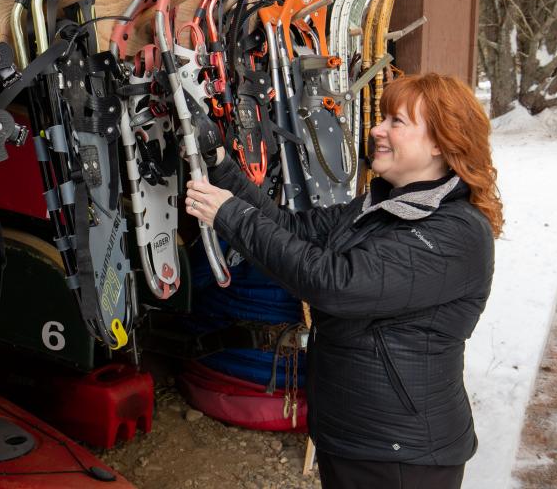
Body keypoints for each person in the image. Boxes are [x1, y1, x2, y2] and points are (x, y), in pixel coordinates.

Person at [184, 73, 502, 489]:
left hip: (401, 454)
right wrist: (220, 165)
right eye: (383, 118)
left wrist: (230, 215)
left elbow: (336, 285)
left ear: (442, 142)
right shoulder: (382, 205)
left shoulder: (453, 232)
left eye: (397, 122)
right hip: (353, 436)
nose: (377, 129)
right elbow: (290, 227)